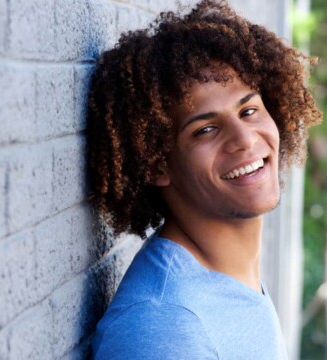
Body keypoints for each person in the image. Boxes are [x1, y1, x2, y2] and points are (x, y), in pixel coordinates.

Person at [87, 0, 322, 358]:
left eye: (249, 110)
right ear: (156, 165)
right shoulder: (167, 328)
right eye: (206, 129)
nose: (244, 138)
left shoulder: (229, 277)